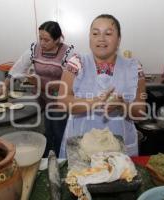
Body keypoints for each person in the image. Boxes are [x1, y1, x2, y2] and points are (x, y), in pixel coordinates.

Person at [57, 14, 146, 158]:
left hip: (119, 147)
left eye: (108, 33)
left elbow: (140, 112)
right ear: (90, 38)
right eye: (95, 33)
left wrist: (122, 105)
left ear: (118, 39)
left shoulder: (134, 68)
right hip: (81, 145)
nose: (101, 38)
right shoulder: (77, 62)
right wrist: (96, 102)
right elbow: (62, 102)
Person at [0, 21, 75, 157]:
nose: (42, 43)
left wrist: (39, 83)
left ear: (57, 39)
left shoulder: (68, 54)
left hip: (60, 98)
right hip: (42, 97)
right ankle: (46, 159)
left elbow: (69, 83)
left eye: (47, 40)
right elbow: (19, 66)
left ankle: (60, 159)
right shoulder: (35, 49)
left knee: (58, 131)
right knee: (47, 130)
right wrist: (5, 85)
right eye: (40, 38)